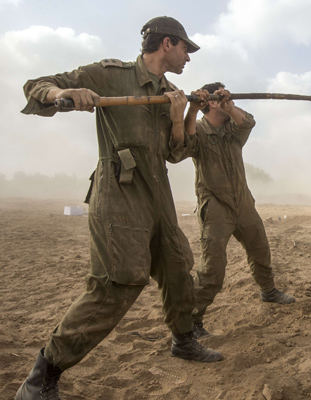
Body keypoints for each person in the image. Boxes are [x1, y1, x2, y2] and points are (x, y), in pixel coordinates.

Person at [16, 16, 222, 400]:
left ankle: (183, 340)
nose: (188, 58)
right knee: (118, 281)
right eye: (185, 49)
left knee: (178, 266)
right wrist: (69, 92)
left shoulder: (171, 92)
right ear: (166, 44)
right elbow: (37, 86)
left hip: (157, 192)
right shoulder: (110, 75)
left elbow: (176, 153)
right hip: (120, 191)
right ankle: (43, 374)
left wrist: (183, 116)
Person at [175, 82, 295, 340]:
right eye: (220, 93)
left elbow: (248, 123)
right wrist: (193, 109)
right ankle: (193, 320)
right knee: (212, 269)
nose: (225, 95)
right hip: (215, 205)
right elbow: (184, 143)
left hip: (243, 201)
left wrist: (229, 106)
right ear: (211, 102)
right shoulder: (199, 129)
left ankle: (269, 291)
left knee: (260, 249)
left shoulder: (233, 128)